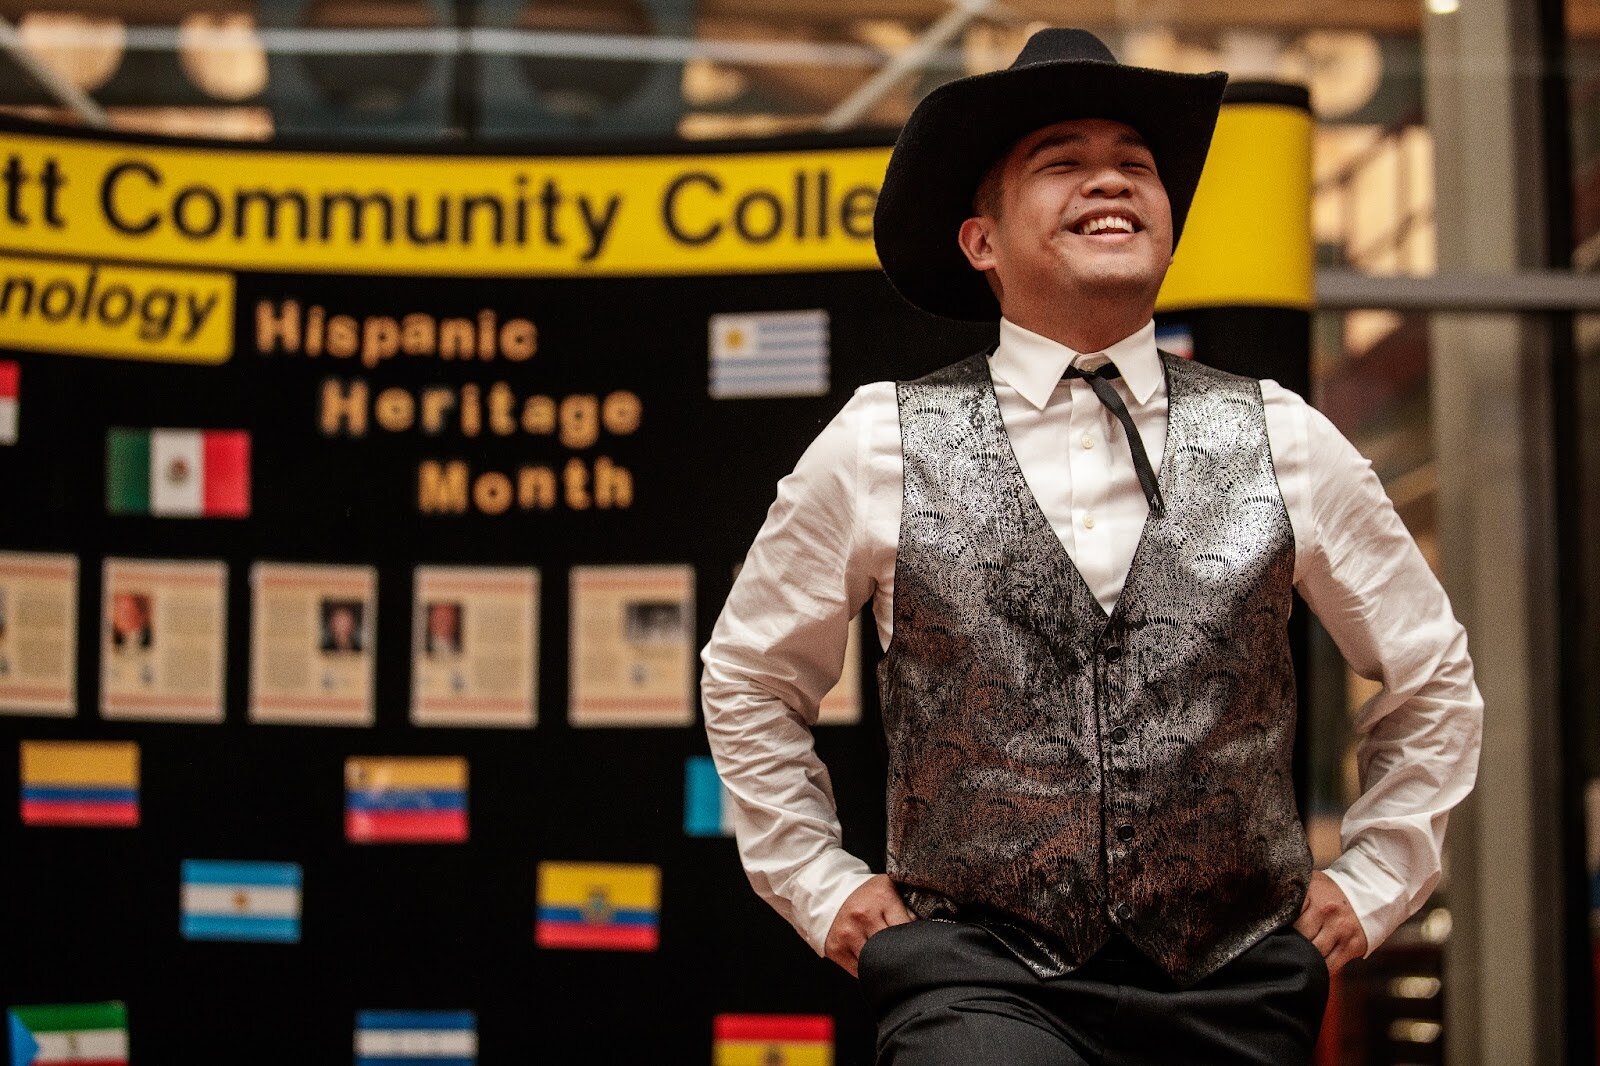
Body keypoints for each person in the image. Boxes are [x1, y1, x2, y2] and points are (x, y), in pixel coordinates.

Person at [699, 27, 1484, 1066]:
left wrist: (1377, 879)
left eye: (1135, 163)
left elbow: (1432, 676)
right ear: (981, 240)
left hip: (1233, 986)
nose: (1109, 180)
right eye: (1061, 160)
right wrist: (820, 887)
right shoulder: (878, 440)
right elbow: (750, 677)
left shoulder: (1282, 434)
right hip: (978, 982)